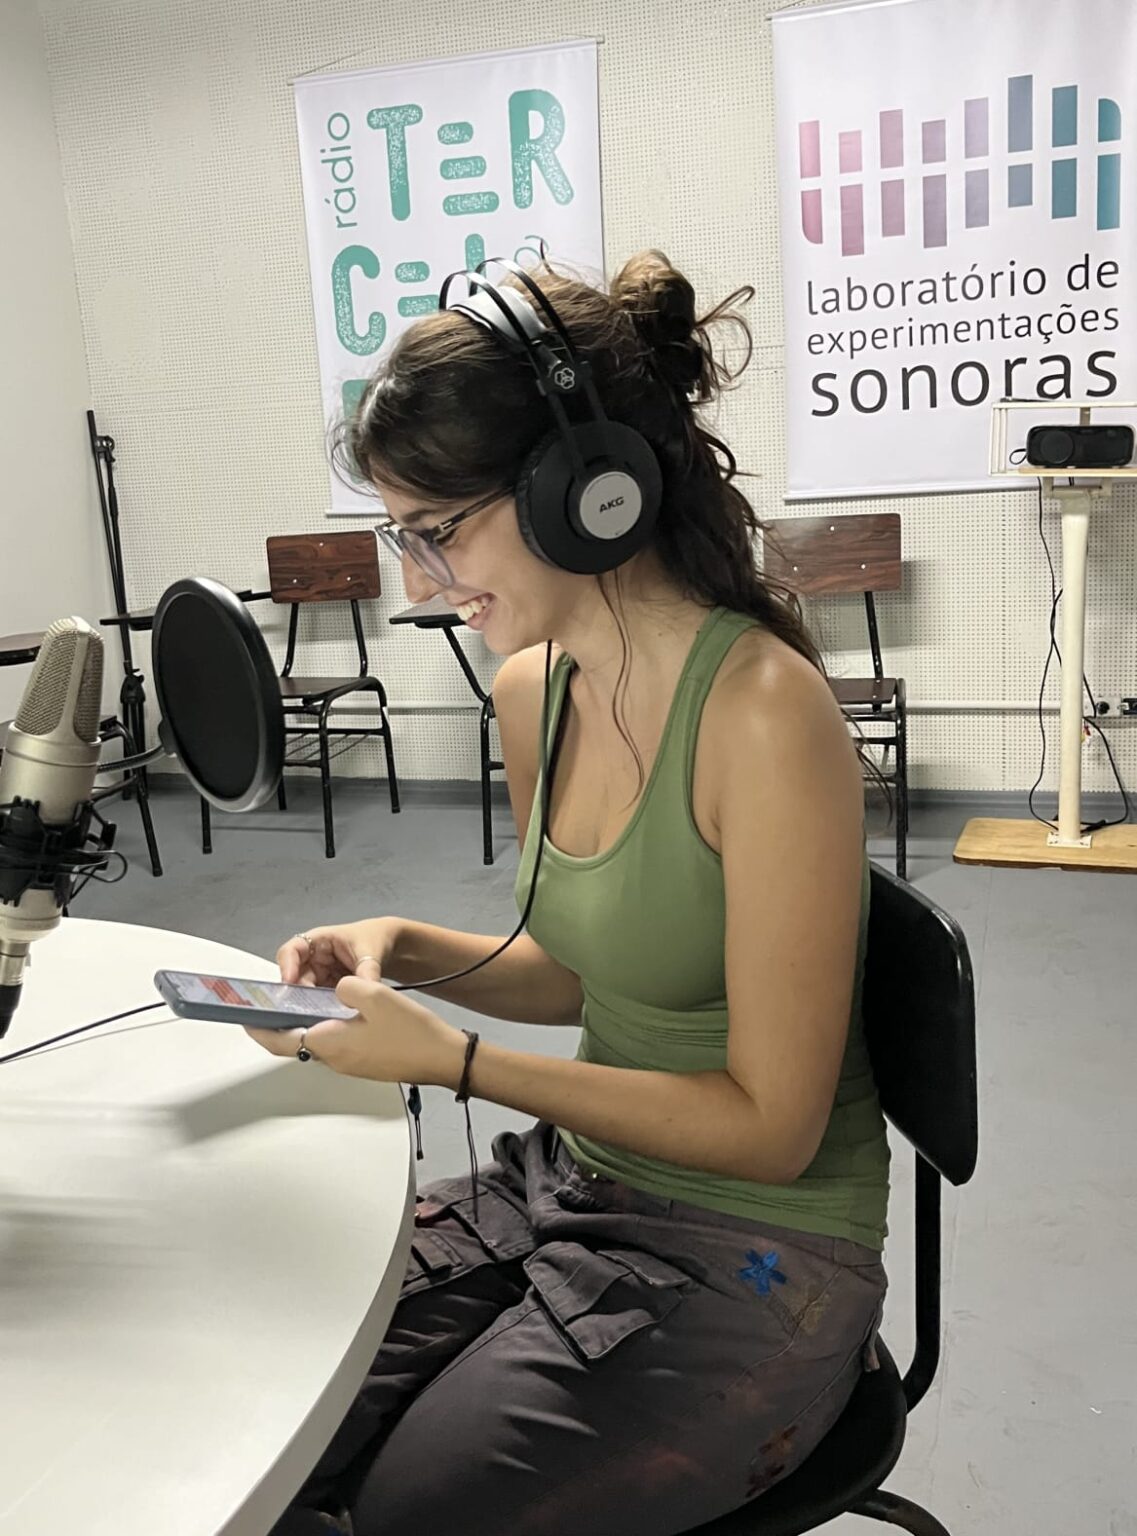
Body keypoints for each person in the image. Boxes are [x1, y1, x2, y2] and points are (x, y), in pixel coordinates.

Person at [250, 251, 889, 1536]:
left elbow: (770, 1128)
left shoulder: (763, 715)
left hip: (762, 1254)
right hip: (581, 1187)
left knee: (407, 1515)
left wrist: (459, 1064)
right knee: (272, 1422)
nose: (420, 580)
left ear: (582, 493)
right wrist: (400, 944)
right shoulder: (534, 689)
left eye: (439, 531)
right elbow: (578, 970)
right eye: (402, 535)